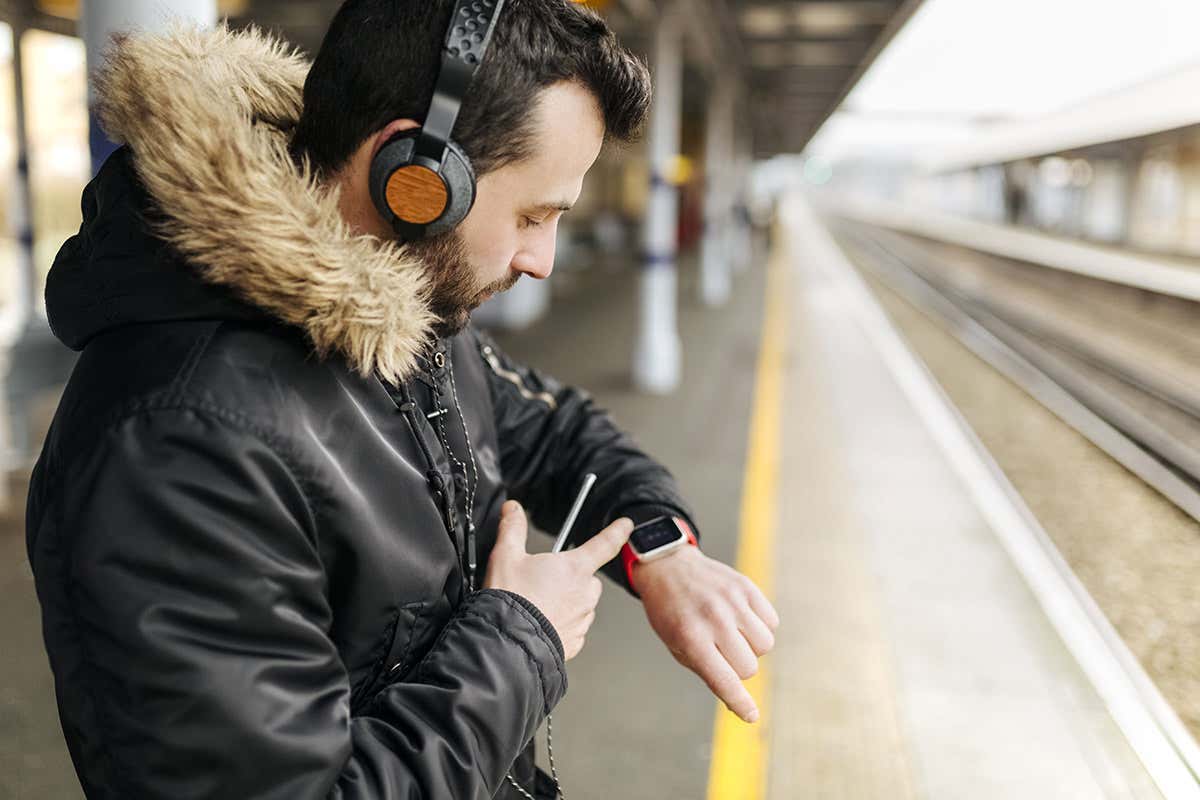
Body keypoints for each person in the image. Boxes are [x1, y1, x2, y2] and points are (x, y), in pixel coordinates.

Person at [26, 1, 779, 798]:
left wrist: (660, 550)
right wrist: (524, 639)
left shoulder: (407, 301)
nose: (543, 260)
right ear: (413, 177)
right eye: (531, 215)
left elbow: (554, 429)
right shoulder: (181, 442)